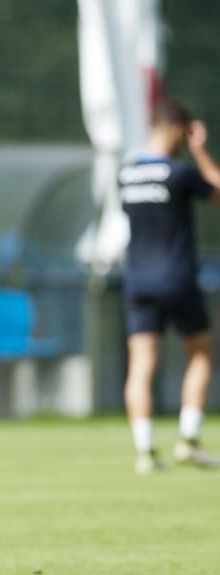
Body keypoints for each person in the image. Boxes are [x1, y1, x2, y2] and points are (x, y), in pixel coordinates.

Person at [120, 99, 220, 474]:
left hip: (138, 280)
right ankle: (189, 439)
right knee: (200, 352)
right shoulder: (179, 173)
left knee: (142, 363)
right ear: (178, 129)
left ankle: (145, 451)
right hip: (176, 277)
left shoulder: (125, 173)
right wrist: (200, 150)